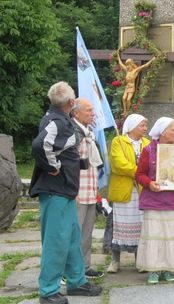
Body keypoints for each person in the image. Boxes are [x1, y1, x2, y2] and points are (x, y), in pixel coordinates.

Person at [29, 81, 102, 304]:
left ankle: (76, 281)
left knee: (71, 239)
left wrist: (74, 163)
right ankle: (49, 291)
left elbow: (60, 149)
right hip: (55, 192)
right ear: (71, 103)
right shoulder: (57, 121)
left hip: (65, 192)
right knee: (56, 242)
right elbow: (40, 146)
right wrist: (54, 167)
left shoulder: (60, 119)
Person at [135, 117, 174, 284]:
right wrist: (149, 183)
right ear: (163, 132)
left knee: (172, 235)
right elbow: (139, 174)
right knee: (155, 235)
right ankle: (154, 269)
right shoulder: (148, 150)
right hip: (154, 201)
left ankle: (168, 268)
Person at [106, 114, 150, 273]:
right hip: (124, 190)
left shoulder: (147, 143)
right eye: (142, 125)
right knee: (118, 225)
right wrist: (140, 173)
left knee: (140, 224)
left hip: (141, 190)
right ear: (132, 126)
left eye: (146, 125)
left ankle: (140, 260)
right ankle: (115, 261)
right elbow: (118, 164)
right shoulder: (119, 141)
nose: (145, 128)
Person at [71, 97, 104, 279]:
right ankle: (72, 270)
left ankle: (85, 266)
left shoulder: (88, 132)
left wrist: (97, 190)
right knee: (74, 234)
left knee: (87, 233)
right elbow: (69, 164)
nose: (93, 114)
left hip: (90, 190)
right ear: (77, 113)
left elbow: (92, 164)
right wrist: (72, 190)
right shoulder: (72, 132)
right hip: (77, 191)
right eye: (89, 110)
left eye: (92, 110)